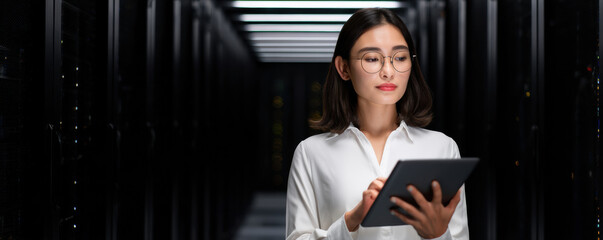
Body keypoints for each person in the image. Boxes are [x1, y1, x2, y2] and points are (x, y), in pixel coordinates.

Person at [285, 8, 469, 240]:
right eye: (372, 59)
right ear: (344, 68)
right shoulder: (311, 153)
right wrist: (352, 220)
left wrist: (437, 235)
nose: (388, 72)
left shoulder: (441, 149)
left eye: (400, 58)